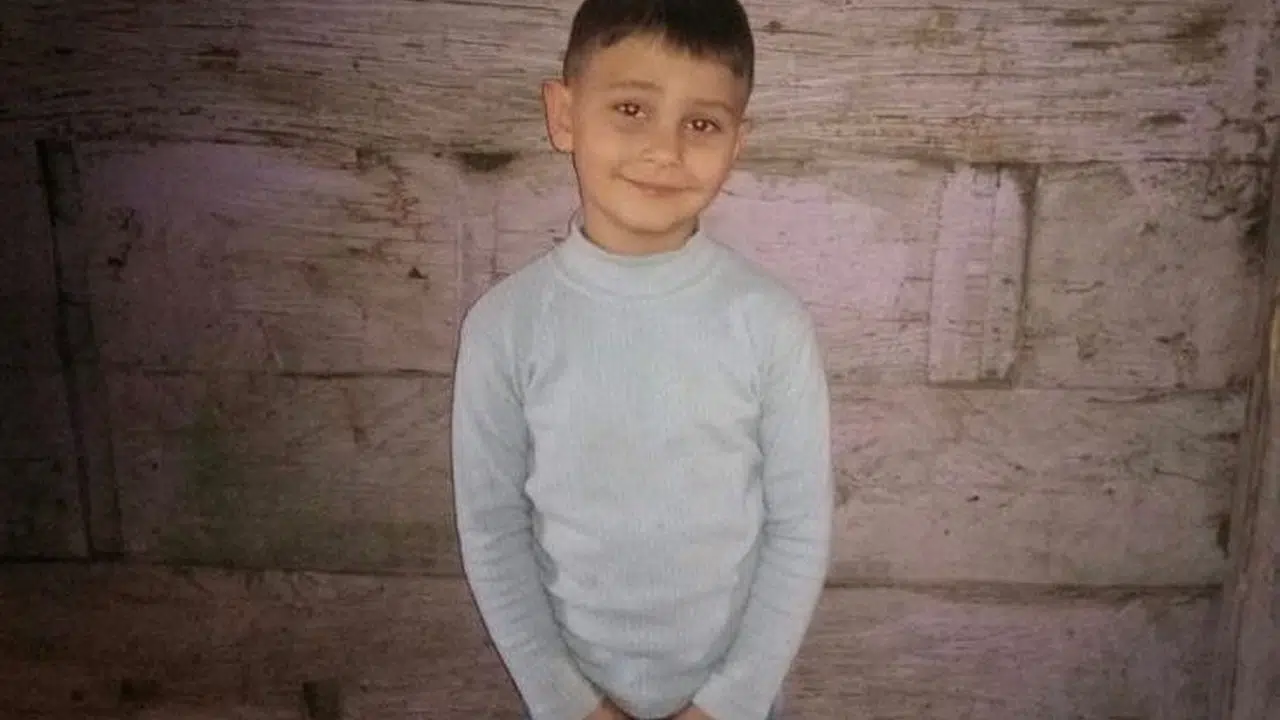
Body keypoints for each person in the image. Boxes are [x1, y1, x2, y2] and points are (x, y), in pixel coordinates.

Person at [450, 0, 833, 718]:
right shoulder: (505, 327)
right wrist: (567, 703)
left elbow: (800, 529)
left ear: (737, 141)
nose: (666, 150)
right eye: (631, 109)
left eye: (702, 124)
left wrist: (729, 703)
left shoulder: (770, 323)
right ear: (564, 115)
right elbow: (493, 530)